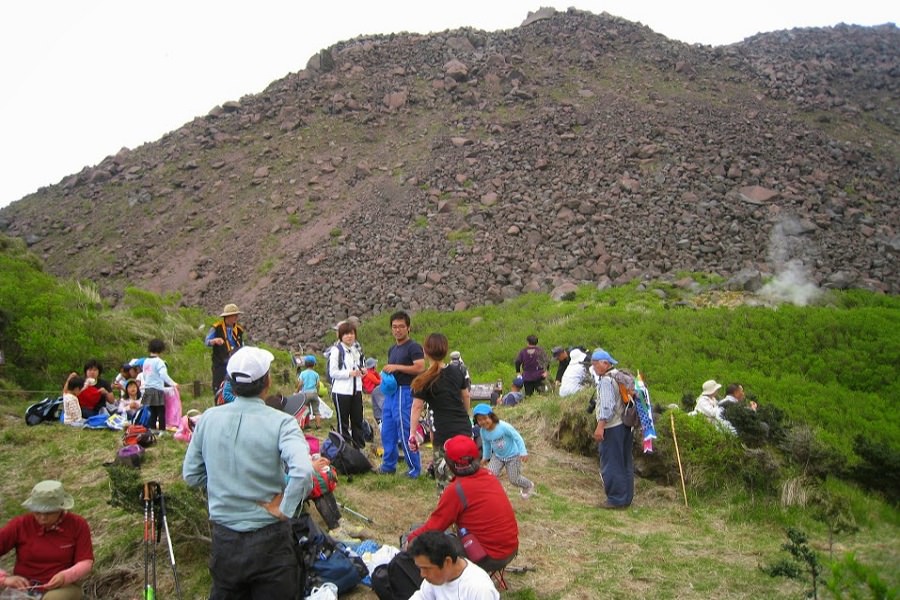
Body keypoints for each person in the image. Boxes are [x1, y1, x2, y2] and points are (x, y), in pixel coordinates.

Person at [183, 346, 314, 599]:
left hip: (225, 540)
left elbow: (191, 475)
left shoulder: (208, 419)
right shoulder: (282, 422)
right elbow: (303, 471)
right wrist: (285, 508)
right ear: (267, 382)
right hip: (271, 539)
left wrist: (224, 483)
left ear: (231, 385)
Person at [407, 435, 518, 575]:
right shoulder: (489, 475)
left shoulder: (456, 490)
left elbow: (434, 527)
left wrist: (410, 540)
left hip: (488, 557)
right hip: (510, 550)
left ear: (450, 464)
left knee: (422, 543)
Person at [0, 480, 94, 600]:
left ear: (61, 509)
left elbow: (86, 562)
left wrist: (65, 576)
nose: (43, 517)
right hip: (24, 588)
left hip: (62, 587)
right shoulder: (20, 524)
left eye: (49, 513)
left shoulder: (77, 524)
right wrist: (4, 579)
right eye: (37, 512)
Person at [410, 333, 473, 491]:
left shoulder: (423, 379)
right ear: (445, 351)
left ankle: (447, 503)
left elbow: (417, 407)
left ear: (425, 352)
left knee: (445, 480)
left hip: (443, 434)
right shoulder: (457, 371)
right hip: (464, 430)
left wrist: (412, 433)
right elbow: (466, 396)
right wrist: (465, 416)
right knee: (467, 475)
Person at [380, 310, 426, 478]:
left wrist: (397, 367)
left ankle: (414, 468)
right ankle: (388, 465)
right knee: (387, 430)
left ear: (408, 328)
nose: (397, 330)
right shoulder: (392, 349)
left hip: (405, 391)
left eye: (401, 326)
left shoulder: (413, 347)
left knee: (405, 430)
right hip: (392, 393)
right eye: (394, 327)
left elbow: (420, 367)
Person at [590, 348, 634, 509]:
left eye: (596, 364)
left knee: (611, 463)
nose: (594, 367)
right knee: (625, 462)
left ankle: (615, 499)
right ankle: (626, 498)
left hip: (612, 426)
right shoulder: (619, 376)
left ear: (605, 363)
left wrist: (600, 427)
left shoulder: (606, 381)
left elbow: (607, 407)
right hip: (625, 425)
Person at [408, 530, 499, 600]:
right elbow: (422, 596)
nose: (422, 574)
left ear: (447, 562)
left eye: (426, 568)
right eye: (420, 568)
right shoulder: (435, 578)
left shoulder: (479, 589)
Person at [472, 404, 534, 498]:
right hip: (498, 456)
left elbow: (517, 437)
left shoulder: (503, 426)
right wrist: (485, 457)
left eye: (485, 418)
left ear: (492, 416)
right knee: (490, 475)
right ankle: (498, 491)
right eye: (479, 420)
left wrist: (523, 451)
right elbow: (486, 444)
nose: (483, 422)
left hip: (513, 456)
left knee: (514, 479)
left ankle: (528, 485)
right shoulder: (483, 431)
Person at [329, 321, 367, 447]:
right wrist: (349, 373)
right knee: (343, 423)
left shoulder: (357, 350)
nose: (349, 336)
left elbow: (361, 366)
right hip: (341, 391)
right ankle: (344, 449)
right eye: (346, 334)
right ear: (340, 336)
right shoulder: (337, 350)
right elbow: (333, 372)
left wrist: (363, 371)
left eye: (351, 333)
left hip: (356, 390)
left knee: (358, 420)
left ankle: (358, 448)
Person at [205, 303, 246, 402]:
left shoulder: (239, 330)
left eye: (236, 315)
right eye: (234, 315)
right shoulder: (217, 328)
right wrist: (214, 341)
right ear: (227, 316)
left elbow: (242, 344)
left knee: (235, 389)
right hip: (220, 364)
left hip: (235, 365)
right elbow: (207, 342)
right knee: (219, 388)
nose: (236, 317)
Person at [140, 338, 179, 432]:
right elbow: (163, 375)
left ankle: (152, 429)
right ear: (161, 349)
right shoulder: (159, 362)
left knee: (152, 411)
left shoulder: (146, 361)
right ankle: (162, 430)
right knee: (161, 411)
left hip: (148, 389)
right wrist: (173, 383)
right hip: (157, 389)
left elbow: (144, 375)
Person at [296, 355, 322, 429]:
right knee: (316, 410)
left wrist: (297, 391)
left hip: (305, 394)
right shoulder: (316, 374)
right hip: (314, 393)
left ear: (305, 364)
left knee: (305, 410)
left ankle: (305, 424)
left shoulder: (302, 373)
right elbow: (318, 385)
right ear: (314, 364)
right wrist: (317, 392)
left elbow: (300, 384)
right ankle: (318, 425)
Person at [362, 357, 384, 425]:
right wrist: (383, 380)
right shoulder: (370, 374)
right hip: (370, 390)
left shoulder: (372, 373)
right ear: (373, 366)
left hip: (372, 388)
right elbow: (377, 382)